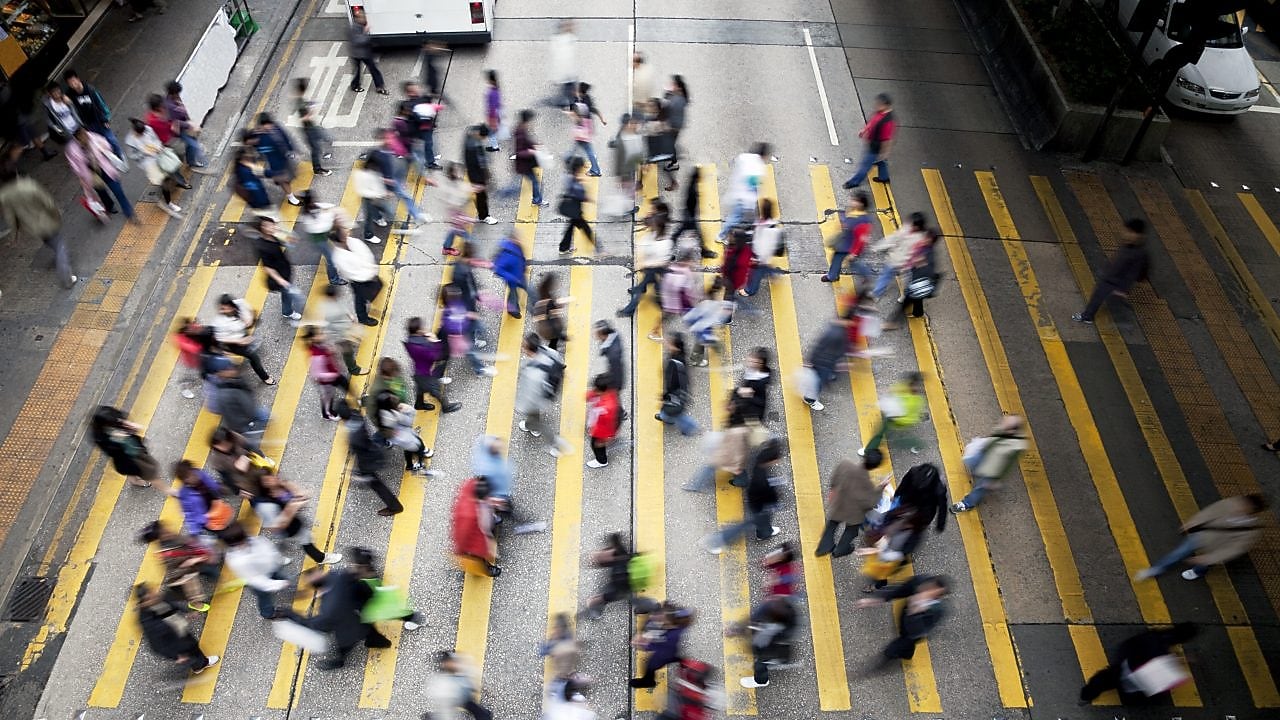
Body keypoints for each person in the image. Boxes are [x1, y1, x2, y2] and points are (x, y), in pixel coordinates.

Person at [1135, 494, 1268, 581]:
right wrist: (1192, 523)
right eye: (1242, 503)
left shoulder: (1251, 531)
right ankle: (1156, 569)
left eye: (1244, 507)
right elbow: (1209, 513)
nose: (1238, 506)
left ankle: (1199, 571)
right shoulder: (1230, 503)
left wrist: (1208, 558)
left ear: (1251, 511)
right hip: (1202, 536)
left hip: (1216, 547)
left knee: (1203, 563)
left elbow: (1233, 550)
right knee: (1178, 552)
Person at [1079, 623, 1198, 704]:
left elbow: (1132, 644)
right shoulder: (1162, 654)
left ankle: (1087, 695)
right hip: (1135, 687)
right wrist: (1180, 660)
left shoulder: (1154, 639)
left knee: (1104, 679)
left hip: (1124, 666)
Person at [700, 437, 782, 553]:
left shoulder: (760, 461)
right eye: (776, 459)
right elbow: (765, 492)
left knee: (760, 521)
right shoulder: (762, 479)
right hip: (759, 505)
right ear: (772, 460)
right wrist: (773, 498)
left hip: (756, 501)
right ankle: (715, 541)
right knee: (745, 525)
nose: (777, 462)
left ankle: (764, 532)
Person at [0, 168, 75, 288]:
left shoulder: (4, 195)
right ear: (16, 173)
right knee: (60, 246)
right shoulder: (29, 185)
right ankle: (66, 277)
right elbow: (48, 203)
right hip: (46, 221)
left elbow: (10, 217)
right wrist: (56, 215)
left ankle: (59, 256)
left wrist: (15, 235)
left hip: (32, 227)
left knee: (50, 241)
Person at [854, 574, 950, 666]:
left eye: (932, 591)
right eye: (928, 587)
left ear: (938, 596)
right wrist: (876, 600)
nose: (925, 591)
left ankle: (889, 659)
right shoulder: (919, 581)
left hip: (912, 633)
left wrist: (915, 610)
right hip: (904, 619)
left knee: (892, 650)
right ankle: (907, 654)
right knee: (903, 638)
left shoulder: (937, 610)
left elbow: (918, 632)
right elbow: (899, 590)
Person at [1073, 218, 1151, 324]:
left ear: (1139, 235)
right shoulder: (1129, 245)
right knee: (1101, 296)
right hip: (1111, 276)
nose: (1126, 235)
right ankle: (1089, 315)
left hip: (1114, 281)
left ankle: (1087, 316)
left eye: (1130, 232)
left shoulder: (1138, 253)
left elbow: (1132, 274)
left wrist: (1123, 289)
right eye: (1126, 231)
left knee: (1098, 296)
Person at [254, 473, 343, 566]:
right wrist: (291, 509)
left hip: (293, 519)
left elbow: (299, 495)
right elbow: (275, 527)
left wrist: (296, 497)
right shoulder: (267, 506)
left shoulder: (279, 485)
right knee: (306, 539)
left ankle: (283, 543)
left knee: (304, 535)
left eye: (271, 476)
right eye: (268, 480)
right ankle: (321, 558)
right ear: (263, 486)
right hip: (288, 527)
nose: (274, 478)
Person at [949, 415, 1027, 513]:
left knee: (981, 487)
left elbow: (1007, 465)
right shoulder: (1004, 430)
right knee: (971, 462)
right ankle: (978, 474)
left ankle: (967, 503)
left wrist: (996, 480)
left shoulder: (1015, 447)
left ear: (1012, 431)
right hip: (985, 456)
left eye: (1006, 424)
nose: (1002, 424)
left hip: (993, 469)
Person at [134, 583, 218, 673]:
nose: (154, 596)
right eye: (149, 598)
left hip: (178, 629)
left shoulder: (157, 599)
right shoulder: (147, 621)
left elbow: (172, 605)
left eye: (152, 593)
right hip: (174, 640)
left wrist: (187, 612)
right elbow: (156, 645)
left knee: (192, 644)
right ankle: (201, 665)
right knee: (191, 649)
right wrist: (176, 656)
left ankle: (197, 662)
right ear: (143, 603)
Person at [817, 450, 885, 557]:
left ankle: (824, 547)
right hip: (854, 514)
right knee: (851, 531)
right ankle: (840, 550)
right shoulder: (868, 485)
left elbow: (835, 478)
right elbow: (871, 503)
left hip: (839, 503)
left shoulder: (845, 464)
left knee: (832, 525)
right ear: (874, 467)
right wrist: (881, 487)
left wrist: (833, 489)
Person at [138, 521, 217, 612]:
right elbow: (180, 567)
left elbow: (186, 545)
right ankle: (195, 603)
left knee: (208, 570)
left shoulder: (170, 537)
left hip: (191, 562)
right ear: (159, 536)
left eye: (163, 528)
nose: (166, 530)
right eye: (163, 531)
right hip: (181, 574)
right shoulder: (166, 552)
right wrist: (195, 559)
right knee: (191, 585)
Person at [339, 406, 405, 516]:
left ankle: (395, 506)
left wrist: (363, 471)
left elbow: (360, 449)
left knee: (376, 484)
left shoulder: (354, 437)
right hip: (373, 450)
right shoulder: (356, 415)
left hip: (369, 461)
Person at [516, 333, 573, 456]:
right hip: (551, 389)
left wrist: (521, 407)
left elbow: (530, 397)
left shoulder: (532, 373)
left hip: (538, 400)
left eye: (523, 345)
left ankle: (555, 444)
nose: (521, 347)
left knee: (537, 421)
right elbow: (560, 363)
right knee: (533, 419)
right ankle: (532, 426)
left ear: (529, 350)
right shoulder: (548, 351)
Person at [222, 521, 292, 618]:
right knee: (264, 597)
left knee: (282, 577)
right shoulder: (237, 561)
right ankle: (268, 613)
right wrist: (277, 585)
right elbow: (256, 580)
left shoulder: (252, 540)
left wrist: (278, 560)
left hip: (271, 568)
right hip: (260, 580)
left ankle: (285, 585)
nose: (245, 542)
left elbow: (268, 548)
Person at [66, 127, 134, 223]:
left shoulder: (93, 137)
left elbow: (106, 145)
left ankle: (128, 210)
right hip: (90, 173)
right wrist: (81, 176)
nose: (86, 137)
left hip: (104, 167)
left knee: (117, 188)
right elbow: (74, 165)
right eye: (82, 136)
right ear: (77, 138)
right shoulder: (72, 149)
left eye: (85, 133)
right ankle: (109, 205)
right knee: (101, 191)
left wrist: (103, 149)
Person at [124, 117, 188, 218]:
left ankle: (168, 191)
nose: (142, 134)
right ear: (135, 131)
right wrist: (143, 153)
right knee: (163, 180)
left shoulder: (148, 129)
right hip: (148, 163)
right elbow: (132, 155)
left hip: (158, 156)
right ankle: (169, 203)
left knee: (167, 175)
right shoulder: (130, 141)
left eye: (143, 132)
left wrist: (158, 147)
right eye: (140, 133)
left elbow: (156, 139)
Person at [617, 211, 672, 317]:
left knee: (646, 290)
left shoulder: (665, 243)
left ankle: (629, 310)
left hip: (656, 269)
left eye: (652, 226)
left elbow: (663, 261)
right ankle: (661, 302)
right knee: (656, 288)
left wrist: (645, 264)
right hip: (650, 268)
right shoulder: (654, 234)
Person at [737, 594, 798, 689]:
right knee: (772, 652)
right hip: (774, 638)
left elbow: (756, 618)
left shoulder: (772, 611)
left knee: (761, 662)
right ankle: (781, 659)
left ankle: (761, 681)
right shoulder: (786, 611)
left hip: (769, 644)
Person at [91, 405, 160, 489]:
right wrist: (118, 439)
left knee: (134, 469)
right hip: (126, 457)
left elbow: (124, 422)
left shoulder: (115, 419)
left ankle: (134, 479)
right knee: (136, 469)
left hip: (133, 449)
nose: (118, 421)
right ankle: (136, 481)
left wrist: (129, 427)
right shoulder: (101, 438)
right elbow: (112, 452)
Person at [211, 293, 274, 383]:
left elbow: (249, 311)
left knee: (252, 343)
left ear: (231, 306)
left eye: (224, 308)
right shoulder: (219, 322)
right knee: (254, 358)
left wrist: (249, 318)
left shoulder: (240, 303)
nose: (222, 311)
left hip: (242, 333)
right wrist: (240, 341)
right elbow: (220, 338)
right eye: (221, 309)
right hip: (234, 343)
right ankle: (265, 377)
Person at [884, 227, 940, 329]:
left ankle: (892, 323)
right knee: (917, 299)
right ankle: (918, 313)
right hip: (918, 282)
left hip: (917, 283)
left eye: (927, 237)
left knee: (905, 303)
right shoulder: (925, 248)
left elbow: (924, 268)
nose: (924, 238)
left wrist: (916, 263)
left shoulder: (928, 254)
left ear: (930, 240)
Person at [404, 317, 461, 413]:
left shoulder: (410, 341)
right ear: (418, 331)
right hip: (426, 373)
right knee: (436, 389)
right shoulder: (422, 346)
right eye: (421, 328)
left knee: (420, 388)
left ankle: (419, 404)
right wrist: (435, 341)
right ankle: (446, 407)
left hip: (418, 371)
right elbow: (436, 356)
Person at [860, 372, 926, 454]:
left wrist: (895, 417)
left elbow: (909, 418)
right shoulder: (905, 387)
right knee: (881, 432)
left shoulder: (916, 401)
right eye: (912, 384)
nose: (914, 387)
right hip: (893, 414)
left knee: (892, 440)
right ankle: (871, 447)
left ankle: (869, 450)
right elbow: (894, 390)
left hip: (899, 420)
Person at [629, 603, 692, 689]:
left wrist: (643, 645)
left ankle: (648, 681)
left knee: (651, 666)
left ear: (670, 624)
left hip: (664, 653)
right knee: (674, 656)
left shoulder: (671, 637)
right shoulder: (670, 619)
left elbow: (658, 646)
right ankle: (682, 661)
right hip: (669, 649)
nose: (655, 617)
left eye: (662, 618)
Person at [254, 216, 304, 323]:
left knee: (287, 293)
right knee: (287, 294)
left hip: (284, 270)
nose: (271, 227)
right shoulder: (262, 246)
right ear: (261, 228)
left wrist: (281, 231)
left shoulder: (272, 237)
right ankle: (287, 312)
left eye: (272, 224)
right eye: (267, 225)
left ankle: (287, 310)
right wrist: (281, 280)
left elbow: (292, 241)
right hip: (280, 276)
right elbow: (267, 268)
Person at [870, 211, 928, 299]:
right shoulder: (906, 228)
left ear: (918, 226)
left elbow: (916, 254)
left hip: (905, 265)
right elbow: (893, 239)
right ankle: (877, 293)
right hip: (893, 260)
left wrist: (908, 264)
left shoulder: (920, 238)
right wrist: (879, 246)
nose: (911, 226)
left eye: (914, 225)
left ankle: (905, 296)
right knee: (884, 277)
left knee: (906, 283)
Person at [63, 70, 122, 157]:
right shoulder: (70, 94)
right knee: (98, 146)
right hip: (88, 125)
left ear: (78, 79)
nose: (73, 84)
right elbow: (62, 100)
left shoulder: (90, 89)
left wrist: (106, 118)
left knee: (111, 140)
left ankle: (120, 156)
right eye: (70, 83)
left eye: (73, 81)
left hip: (100, 121)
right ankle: (109, 160)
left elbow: (101, 104)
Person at [718, 143, 769, 242]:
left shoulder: (744, 157)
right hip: (744, 197)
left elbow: (733, 162)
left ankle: (746, 234)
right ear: (763, 155)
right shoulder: (759, 167)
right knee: (735, 217)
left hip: (736, 190)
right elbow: (752, 185)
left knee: (743, 218)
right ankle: (721, 235)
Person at [842, 93, 895, 189]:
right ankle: (884, 177)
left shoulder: (888, 122)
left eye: (879, 104)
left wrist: (884, 153)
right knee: (881, 162)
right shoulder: (879, 112)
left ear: (885, 105)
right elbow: (872, 122)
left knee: (865, 165)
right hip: (872, 142)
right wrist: (865, 130)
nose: (876, 105)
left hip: (876, 147)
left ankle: (854, 182)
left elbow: (886, 140)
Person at [330, 232, 383, 326]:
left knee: (377, 287)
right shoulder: (339, 257)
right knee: (360, 299)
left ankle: (368, 301)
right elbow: (351, 273)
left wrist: (371, 269)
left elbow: (367, 254)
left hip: (368, 274)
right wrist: (369, 274)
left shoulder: (353, 242)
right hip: (359, 280)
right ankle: (362, 318)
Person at [451, 476, 501, 577]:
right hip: (476, 538)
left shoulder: (471, 486)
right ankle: (486, 568)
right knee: (480, 555)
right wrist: (460, 550)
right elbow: (462, 534)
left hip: (482, 521)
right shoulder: (468, 515)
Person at [169, 460, 230, 539]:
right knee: (221, 532)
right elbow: (190, 514)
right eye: (188, 476)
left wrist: (219, 488)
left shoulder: (200, 474)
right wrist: (195, 531)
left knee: (226, 521)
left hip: (214, 503)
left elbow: (211, 483)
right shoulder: (185, 495)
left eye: (192, 471)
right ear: (184, 480)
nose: (193, 476)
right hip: (207, 517)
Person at [800, 316, 851, 411]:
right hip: (824, 363)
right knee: (818, 382)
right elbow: (821, 347)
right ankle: (810, 400)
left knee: (817, 379)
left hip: (825, 362)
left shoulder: (835, 330)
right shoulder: (836, 334)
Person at [424, 651, 493, 720]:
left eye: (451, 662)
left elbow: (472, 683)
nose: (452, 664)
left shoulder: (462, 667)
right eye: (446, 663)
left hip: (463, 697)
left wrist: (481, 689)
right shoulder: (441, 682)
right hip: (449, 701)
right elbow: (445, 707)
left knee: (484, 714)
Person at [823, 191, 874, 284]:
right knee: (840, 261)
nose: (851, 201)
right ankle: (833, 276)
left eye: (855, 200)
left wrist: (853, 253)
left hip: (850, 247)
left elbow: (860, 240)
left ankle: (833, 276)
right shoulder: (853, 211)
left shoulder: (863, 221)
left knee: (852, 262)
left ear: (861, 204)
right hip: (845, 242)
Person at [250, 113, 301, 206]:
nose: (269, 126)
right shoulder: (258, 137)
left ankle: (283, 185)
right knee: (284, 180)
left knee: (290, 176)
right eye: (266, 125)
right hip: (275, 163)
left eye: (270, 124)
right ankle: (291, 197)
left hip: (285, 158)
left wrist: (291, 150)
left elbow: (285, 137)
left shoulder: (276, 127)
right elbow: (257, 148)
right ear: (261, 125)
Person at [581, 532, 633, 620]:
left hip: (627, 584)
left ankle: (596, 612)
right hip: (627, 574)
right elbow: (615, 539)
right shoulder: (619, 551)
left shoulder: (618, 575)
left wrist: (597, 599)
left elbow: (615, 594)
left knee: (606, 593)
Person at [670, 166, 717, 259]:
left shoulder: (692, 185)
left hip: (689, 215)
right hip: (690, 217)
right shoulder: (692, 189)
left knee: (679, 233)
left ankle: (670, 249)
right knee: (696, 235)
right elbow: (690, 203)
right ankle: (704, 252)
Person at [304, 326, 350, 420]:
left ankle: (355, 398)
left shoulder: (321, 343)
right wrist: (332, 375)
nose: (323, 335)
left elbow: (330, 350)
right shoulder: (315, 356)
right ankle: (327, 414)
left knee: (346, 384)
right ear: (313, 338)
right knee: (328, 398)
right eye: (320, 334)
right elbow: (316, 374)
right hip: (326, 381)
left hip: (334, 372)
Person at [656, 334, 699, 436]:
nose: (667, 344)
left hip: (675, 394)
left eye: (670, 344)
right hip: (678, 393)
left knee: (677, 415)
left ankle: (691, 428)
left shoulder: (676, 363)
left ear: (676, 347)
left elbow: (672, 384)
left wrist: (665, 395)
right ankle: (667, 417)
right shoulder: (678, 357)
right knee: (674, 412)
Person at [318, 284, 365, 375]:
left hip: (346, 328)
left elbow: (342, 306)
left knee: (349, 347)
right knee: (348, 352)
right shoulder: (329, 312)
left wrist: (350, 316)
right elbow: (330, 327)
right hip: (341, 334)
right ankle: (353, 369)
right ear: (333, 295)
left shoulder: (333, 301)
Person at [164, 81, 209, 170]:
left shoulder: (175, 98)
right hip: (180, 129)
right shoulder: (169, 107)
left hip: (185, 125)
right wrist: (189, 125)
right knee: (194, 145)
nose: (179, 95)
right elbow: (175, 122)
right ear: (172, 93)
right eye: (177, 93)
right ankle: (196, 163)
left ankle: (190, 160)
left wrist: (188, 119)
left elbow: (182, 108)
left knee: (191, 143)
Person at [291, 77, 333, 176]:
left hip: (311, 128)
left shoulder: (299, 99)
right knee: (316, 149)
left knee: (324, 137)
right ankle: (317, 169)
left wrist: (309, 105)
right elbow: (303, 118)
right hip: (308, 129)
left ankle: (327, 140)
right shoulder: (299, 103)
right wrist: (310, 112)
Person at [505, 109, 546, 207]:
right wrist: (532, 152)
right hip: (523, 164)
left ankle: (537, 200)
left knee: (525, 183)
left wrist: (534, 144)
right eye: (531, 120)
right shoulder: (520, 132)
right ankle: (537, 200)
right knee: (522, 185)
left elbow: (526, 142)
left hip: (525, 163)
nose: (533, 123)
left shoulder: (522, 129)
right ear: (527, 120)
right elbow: (519, 152)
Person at [656, 249, 698, 341]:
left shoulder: (673, 268)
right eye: (691, 261)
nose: (692, 264)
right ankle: (655, 331)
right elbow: (687, 289)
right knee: (667, 318)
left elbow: (665, 285)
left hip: (673, 302)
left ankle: (656, 330)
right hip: (676, 303)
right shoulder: (685, 272)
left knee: (668, 317)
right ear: (687, 261)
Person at [439, 162, 477, 256]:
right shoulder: (450, 185)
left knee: (453, 231)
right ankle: (468, 251)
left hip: (455, 214)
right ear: (452, 173)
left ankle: (446, 248)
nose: (459, 172)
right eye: (456, 171)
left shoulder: (454, 181)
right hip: (456, 215)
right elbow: (455, 200)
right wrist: (468, 219)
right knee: (463, 234)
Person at [558, 155, 593, 253]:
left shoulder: (569, 176)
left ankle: (564, 247)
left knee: (570, 228)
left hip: (573, 208)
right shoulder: (574, 181)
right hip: (575, 208)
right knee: (586, 229)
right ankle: (599, 250)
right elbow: (579, 195)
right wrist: (588, 199)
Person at [585, 374, 621, 469]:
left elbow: (608, 425)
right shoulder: (609, 392)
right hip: (599, 425)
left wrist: (603, 439)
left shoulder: (607, 408)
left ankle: (601, 460)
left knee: (596, 445)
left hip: (601, 431)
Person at [463, 124, 497, 224]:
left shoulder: (471, 134)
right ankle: (484, 216)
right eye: (483, 137)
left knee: (480, 195)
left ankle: (483, 215)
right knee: (481, 195)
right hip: (476, 175)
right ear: (479, 134)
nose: (484, 139)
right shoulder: (472, 147)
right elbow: (475, 164)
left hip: (476, 173)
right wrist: (480, 179)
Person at [347, 14, 387, 94]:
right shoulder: (353, 28)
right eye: (362, 17)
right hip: (358, 54)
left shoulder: (362, 25)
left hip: (365, 52)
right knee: (358, 71)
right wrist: (365, 32)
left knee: (374, 69)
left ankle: (379, 86)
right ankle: (355, 86)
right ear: (357, 19)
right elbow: (357, 41)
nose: (364, 19)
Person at [492, 233, 528, 317]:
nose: (519, 241)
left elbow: (521, 257)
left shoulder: (517, 246)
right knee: (513, 294)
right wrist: (512, 278)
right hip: (513, 280)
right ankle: (512, 310)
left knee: (529, 290)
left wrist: (523, 267)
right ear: (512, 240)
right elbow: (498, 270)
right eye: (517, 239)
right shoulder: (506, 255)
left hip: (520, 275)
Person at [532, 273, 569, 351]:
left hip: (545, 328)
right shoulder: (547, 301)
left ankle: (559, 338)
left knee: (556, 336)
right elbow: (553, 314)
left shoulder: (542, 293)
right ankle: (553, 349)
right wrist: (559, 305)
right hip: (549, 330)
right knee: (553, 341)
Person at [548, 19, 578, 109]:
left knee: (569, 86)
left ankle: (567, 101)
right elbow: (557, 57)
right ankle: (566, 102)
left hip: (568, 71)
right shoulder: (558, 40)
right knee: (567, 86)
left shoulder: (570, 38)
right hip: (564, 70)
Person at [233, 147, 272, 213]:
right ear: (244, 157)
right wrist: (265, 204)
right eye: (250, 154)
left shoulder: (243, 167)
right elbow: (255, 189)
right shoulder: (246, 172)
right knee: (268, 220)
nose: (253, 156)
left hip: (256, 202)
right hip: (260, 203)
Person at [594, 320, 625, 391]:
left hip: (614, 383)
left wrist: (612, 386)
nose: (595, 334)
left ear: (602, 334)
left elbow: (617, 373)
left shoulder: (613, 355)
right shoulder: (613, 334)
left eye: (597, 333)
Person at [483, 69, 504, 152]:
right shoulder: (497, 88)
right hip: (497, 113)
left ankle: (495, 147)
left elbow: (492, 106)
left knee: (492, 131)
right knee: (494, 130)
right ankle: (495, 144)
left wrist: (490, 117)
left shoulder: (491, 92)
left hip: (493, 115)